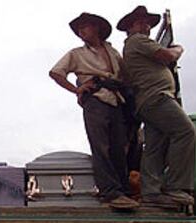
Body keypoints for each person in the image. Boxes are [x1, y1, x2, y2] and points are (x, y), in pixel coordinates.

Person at [49, 12, 139, 210]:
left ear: (96, 28)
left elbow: (127, 76)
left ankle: (123, 191)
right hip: (95, 99)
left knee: (119, 146)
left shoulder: (113, 52)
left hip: (116, 100)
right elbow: (56, 72)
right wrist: (77, 89)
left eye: (85, 26)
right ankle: (110, 193)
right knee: (101, 146)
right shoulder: (77, 53)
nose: (81, 31)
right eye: (79, 29)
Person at [117, 6, 196, 205]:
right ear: (130, 27)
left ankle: (151, 192)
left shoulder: (131, 45)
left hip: (148, 101)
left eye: (148, 23)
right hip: (157, 97)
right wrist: (178, 49)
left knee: (154, 147)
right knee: (186, 131)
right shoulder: (138, 40)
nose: (146, 26)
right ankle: (176, 187)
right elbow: (168, 56)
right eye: (140, 22)